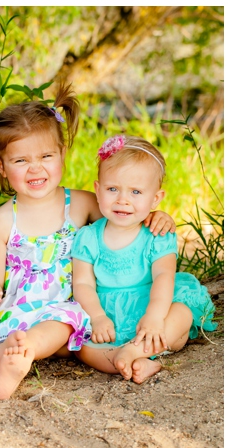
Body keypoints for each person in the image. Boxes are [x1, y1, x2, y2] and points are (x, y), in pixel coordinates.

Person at [0, 82, 175, 400]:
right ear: (1, 166)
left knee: (60, 326)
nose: (36, 168)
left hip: (64, 308)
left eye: (46, 156)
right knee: (48, 329)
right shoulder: (3, 221)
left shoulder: (79, 202)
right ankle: (7, 366)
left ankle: (11, 358)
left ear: (61, 154)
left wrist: (157, 217)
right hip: (20, 309)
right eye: (20, 161)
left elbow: (122, 215)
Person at [73, 135, 216, 383]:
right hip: (106, 313)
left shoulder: (157, 235)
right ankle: (133, 360)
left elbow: (164, 276)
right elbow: (83, 284)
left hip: (153, 305)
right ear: (97, 190)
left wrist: (154, 316)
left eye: (136, 191)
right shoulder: (88, 237)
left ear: (155, 199)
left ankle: (134, 352)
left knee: (181, 315)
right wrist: (96, 316)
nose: (123, 200)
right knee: (83, 349)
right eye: (112, 189)